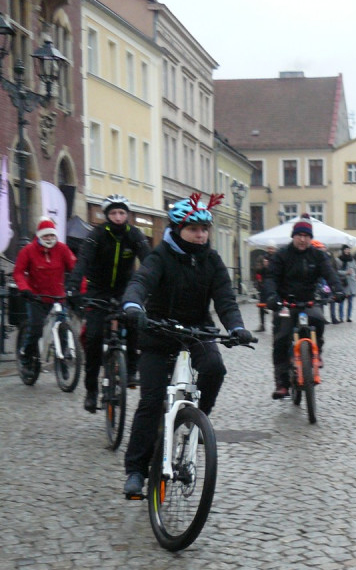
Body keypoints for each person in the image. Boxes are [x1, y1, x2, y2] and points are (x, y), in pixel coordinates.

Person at [120, 193, 253, 499]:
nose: (201, 234)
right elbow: (142, 282)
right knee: (151, 402)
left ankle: (198, 418)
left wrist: (236, 327)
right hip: (158, 330)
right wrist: (133, 305)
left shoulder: (212, 260)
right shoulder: (160, 255)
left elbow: (224, 298)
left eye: (204, 228)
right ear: (178, 228)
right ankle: (137, 471)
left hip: (197, 329)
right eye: (194, 228)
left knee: (215, 367)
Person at [69, 195, 152, 410]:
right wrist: (73, 286)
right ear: (107, 215)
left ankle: (132, 370)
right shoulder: (96, 235)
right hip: (98, 290)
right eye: (113, 213)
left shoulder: (135, 235)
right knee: (94, 337)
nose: (118, 217)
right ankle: (91, 390)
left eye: (122, 213)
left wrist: (155, 285)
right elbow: (83, 262)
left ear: (127, 215)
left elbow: (149, 262)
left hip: (126, 289)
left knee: (134, 324)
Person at [263, 217, 344, 399]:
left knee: (319, 321)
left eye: (306, 236)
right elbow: (270, 278)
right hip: (285, 303)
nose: (302, 239)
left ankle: (318, 352)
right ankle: (282, 383)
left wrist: (338, 290)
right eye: (299, 235)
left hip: (309, 300)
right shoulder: (281, 255)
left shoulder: (318, 255)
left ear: (310, 238)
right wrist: (271, 297)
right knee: (281, 339)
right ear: (293, 236)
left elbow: (330, 275)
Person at [13, 218, 77, 364]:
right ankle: (26, 354)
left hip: (58, 297)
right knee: (36, 328)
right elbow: (18, 272)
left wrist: (80, 289)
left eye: (52, 235)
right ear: (39, 236)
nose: (49, 238)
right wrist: (25, 289)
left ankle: (63, 364)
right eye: (45, 235)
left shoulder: (62, 249)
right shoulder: (28, 251)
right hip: (36, 297)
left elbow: (75, 269)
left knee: (63, 331)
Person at [253, 247, 275, 332]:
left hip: (274, 285)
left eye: (272, 248)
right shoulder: (262, 258)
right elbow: (257, 270)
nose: (271, 250)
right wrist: (263, 266)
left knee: (275, 305)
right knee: (261, 305)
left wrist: (270, 266)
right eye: (269, 248)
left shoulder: (278, 258)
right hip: (264, 286)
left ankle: (275, 324)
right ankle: (262, 325)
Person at [336, 244, 356, 322]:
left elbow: (355, 268)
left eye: (348, 249)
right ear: (343, 250)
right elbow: (336, 271)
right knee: (341, 301)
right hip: (343, 282)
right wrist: (345, 272)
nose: (347, 251)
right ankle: (341, 317)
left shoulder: (352, 259)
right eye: (345, 249)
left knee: (350, 302)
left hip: (351, 283)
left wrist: (354, 275)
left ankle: (349, 317)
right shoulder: (338, 260)